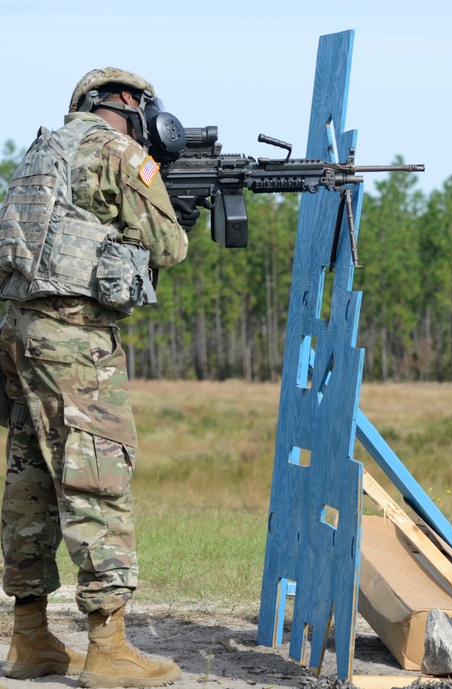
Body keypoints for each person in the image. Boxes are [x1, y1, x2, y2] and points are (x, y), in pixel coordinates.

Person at [0, 67, 197, 687]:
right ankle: (108, 649)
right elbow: (168, 246)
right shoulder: (116, 151)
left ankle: (29, 639)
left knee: (30, 481)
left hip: (20, 330)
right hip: (75, 336)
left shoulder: (41, 152)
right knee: (97, 476)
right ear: (132, 106)